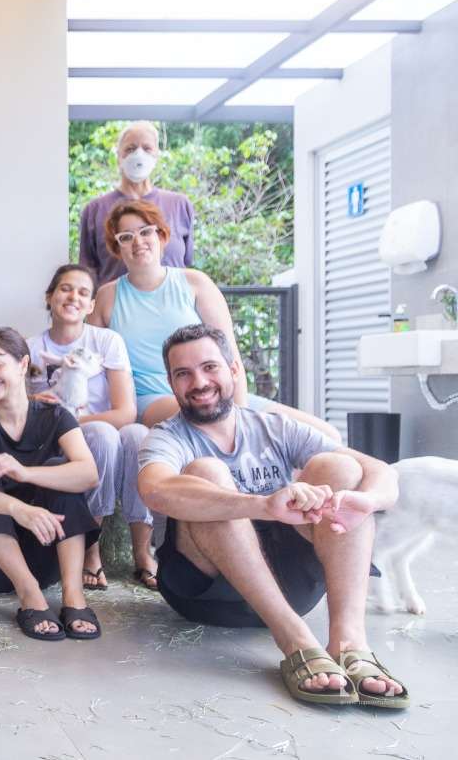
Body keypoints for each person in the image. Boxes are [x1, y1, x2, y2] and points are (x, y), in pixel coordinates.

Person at [137, 323, 408, 708]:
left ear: (233, 370)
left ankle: (350, 643)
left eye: (209, 367)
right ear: (172, 383)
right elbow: (155, 490)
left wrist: (367, 501)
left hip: (293, 587)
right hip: (208, 594)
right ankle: (295, 641)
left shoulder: (274, 427)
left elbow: (381, 471)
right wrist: (262, 505)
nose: (199, 381)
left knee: (341, 469)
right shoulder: (167, 437)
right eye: (184, 374)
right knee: (207, 474)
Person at [89, 199, 339, 439]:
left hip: (216, 394)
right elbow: (87, 358)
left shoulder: (195, 283)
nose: (138, 242)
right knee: (209, 421)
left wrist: (241, 412)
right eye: (126, 237)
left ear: (162, 236)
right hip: (150, 399)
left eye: (145, 232)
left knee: (327, 434)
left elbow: (229, 352)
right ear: (117, 247)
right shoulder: (107, 296)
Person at [0, 327, 102, 641]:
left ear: (22, 364)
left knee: (61, 469)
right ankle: (29, 597)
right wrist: (17, 508)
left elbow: (88, 473)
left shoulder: (56, 417)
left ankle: (73, 596)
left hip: (45, 562)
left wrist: (26, 474)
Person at [28, 264, 156, 590]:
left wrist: (76, 420)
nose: (73, 297)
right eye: (65, 289)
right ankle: (91, 548)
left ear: (90, 306)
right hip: (55, 439)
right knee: (102, 435)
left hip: (101, 429)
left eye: (83, 293)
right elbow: (20, 412)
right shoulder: (29, 348)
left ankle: (142, 552)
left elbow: (126, 412)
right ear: (50, 297)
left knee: (138, 435)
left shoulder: (107, 341)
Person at [78, 120, 194, 285]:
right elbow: (87, 273)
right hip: (116, 308)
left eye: (147, 149)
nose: (139, 155)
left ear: (156, 155)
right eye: (130, 149)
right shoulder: (95, 210)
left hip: (172, 306)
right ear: (119, 156)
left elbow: (186, 263)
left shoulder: (180, 205)